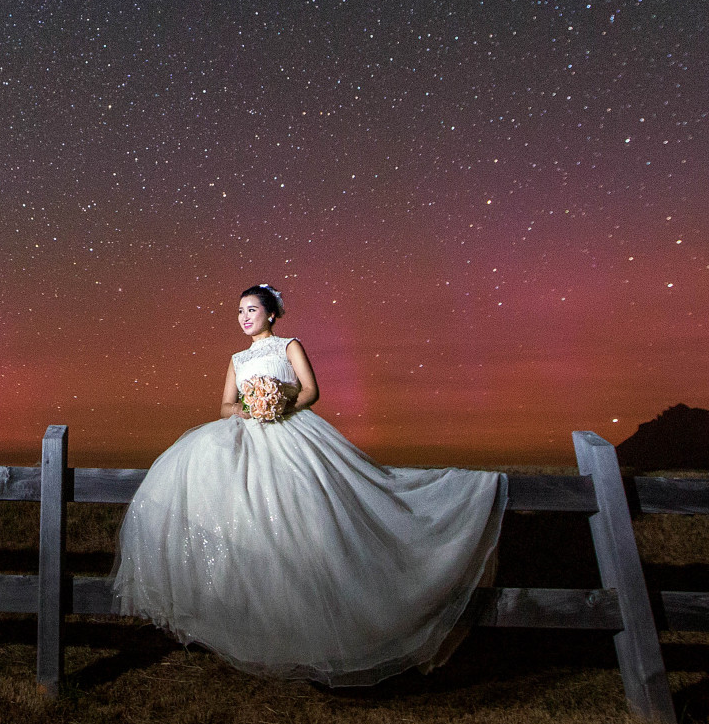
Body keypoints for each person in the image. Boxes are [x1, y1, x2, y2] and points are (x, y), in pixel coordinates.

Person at [111, 283, 507, 686]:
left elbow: (311, 391)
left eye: (251, 310)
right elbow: (226, 406)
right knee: (244, 517)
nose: (243, 317)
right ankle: (257, 620)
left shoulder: (289, 347)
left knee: (305, 519)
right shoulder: (236, 358)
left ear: (270, 314)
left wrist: (279, 402)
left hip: (291, 433)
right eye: (239, 311)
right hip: (247, 436)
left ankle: (327, 624)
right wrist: (252, 408)